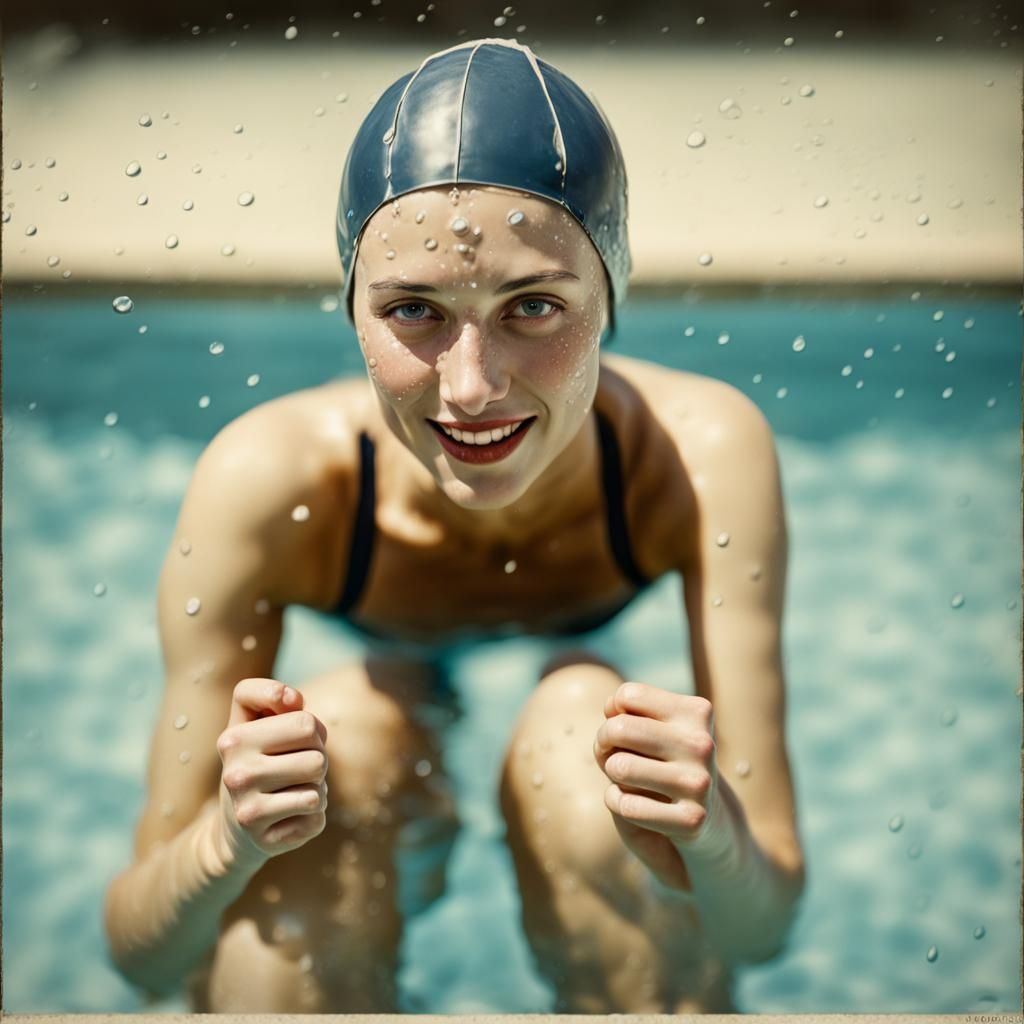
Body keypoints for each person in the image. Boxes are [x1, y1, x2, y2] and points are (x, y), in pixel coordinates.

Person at [104, 38, 805, 1013]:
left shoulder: (693, 457)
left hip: (579, 663)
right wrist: (227, 841)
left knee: (581, 733)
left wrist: (710, 837)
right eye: (414, 311)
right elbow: (141, 958)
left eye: (533, 305)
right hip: (375, 651)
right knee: (339, 742)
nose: (471, 387)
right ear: (351, 308)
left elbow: (761, 929)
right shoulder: (270, 481)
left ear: (610, 302)